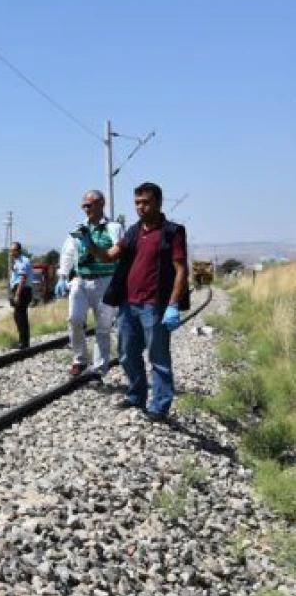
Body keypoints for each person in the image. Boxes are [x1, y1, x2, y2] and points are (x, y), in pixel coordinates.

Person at [85, 181, 189, 423]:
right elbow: (110, 254)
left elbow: (181, 269)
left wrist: (173, 305)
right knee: (125, 353)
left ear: (158, 203)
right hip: (128, 305)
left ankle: (159, 406)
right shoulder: (133, 231)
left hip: (155, 305)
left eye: (146, 202)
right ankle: (136, 395)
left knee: (158, 358)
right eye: (137, 203)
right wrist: (90, 245)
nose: (140, 207)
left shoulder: (172, 231)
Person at [55, 190, 125, 376]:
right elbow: (68, 253)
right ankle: (79, 359)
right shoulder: (78, 230)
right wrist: (62, 276)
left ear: (101, 204)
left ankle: (99, 368)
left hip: (105, 282)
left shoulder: (114, 228)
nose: (86, 209)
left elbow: (121, 252)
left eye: (90, 205)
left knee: (103, 326)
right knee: (74, 319)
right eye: (84, 206)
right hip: (81, 280)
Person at [9, 242, 34, 349]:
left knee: (20, 317)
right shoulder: (16, 261)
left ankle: (23, 343)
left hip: (23, 290)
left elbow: (22, 279)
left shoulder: (23, 261)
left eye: (13, 250)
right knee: (19, 316)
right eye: (10, 250)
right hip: (19, 289)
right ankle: (23, 341)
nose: (11, 252)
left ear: (18, 250)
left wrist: (17, 295)